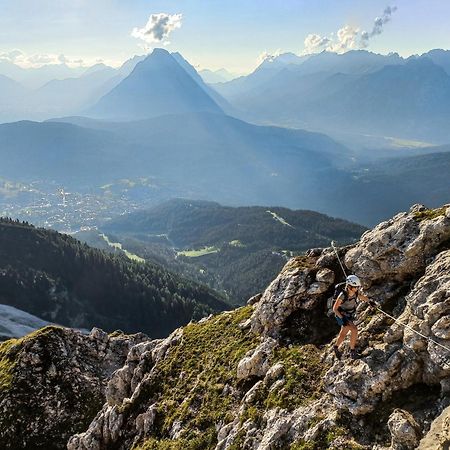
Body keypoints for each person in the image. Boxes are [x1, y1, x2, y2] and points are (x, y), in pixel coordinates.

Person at [332, 274, 375, 359]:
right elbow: (335, 309)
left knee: (343, 334)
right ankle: (352, 352)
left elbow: (362, 297)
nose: (357, 289)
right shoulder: (342, 295)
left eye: (357, 287)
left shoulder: (355, 293)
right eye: (355, 287)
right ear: (349, 286)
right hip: (342, 315)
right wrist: (342, 318)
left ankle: (336, 347)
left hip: (349, 315)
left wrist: (370, 302)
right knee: (354, 329)